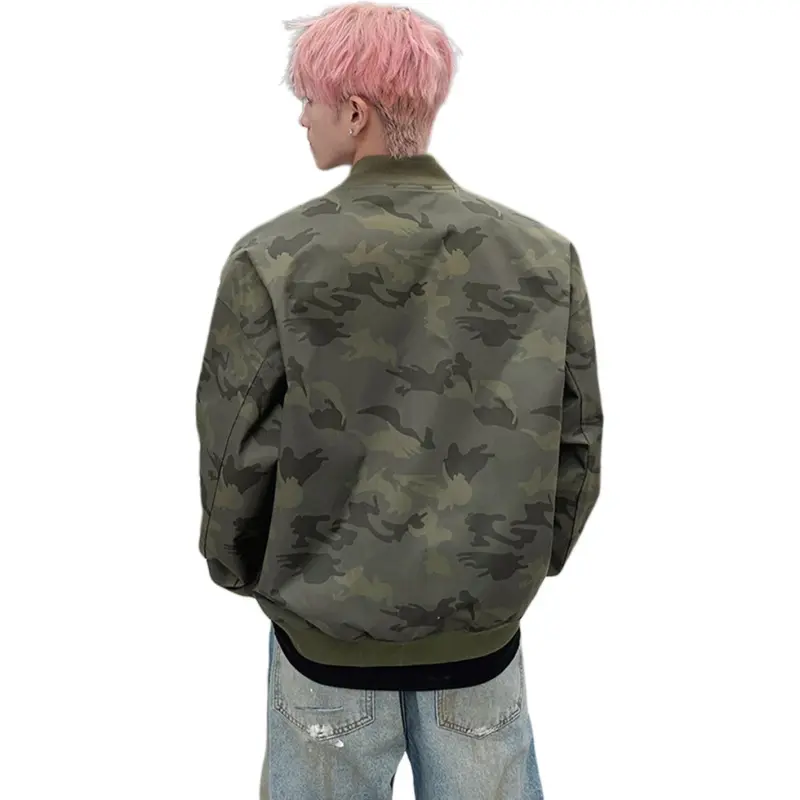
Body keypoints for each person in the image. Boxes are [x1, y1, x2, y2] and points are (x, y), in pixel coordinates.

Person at [195, 3, 603, 798]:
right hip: (480, 635)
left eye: (309, 100)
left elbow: (236, 449)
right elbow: (577, 441)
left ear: (356, 113)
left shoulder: (274, 257)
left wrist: (248, 575)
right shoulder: (541, 256)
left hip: (325, 642)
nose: (301, 118)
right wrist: (515, 572)